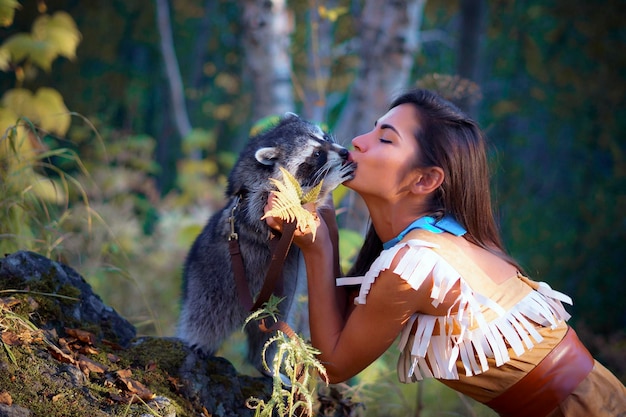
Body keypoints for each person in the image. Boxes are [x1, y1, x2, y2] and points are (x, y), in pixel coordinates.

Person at [264, 88, 626, 417]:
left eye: (385, 139)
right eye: (373, 130)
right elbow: (348, 325)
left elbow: (332, 366)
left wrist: (318, 249)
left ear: (424, 180)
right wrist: (324, 224)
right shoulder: (445, 236)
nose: (357, 142)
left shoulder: (414, 266)